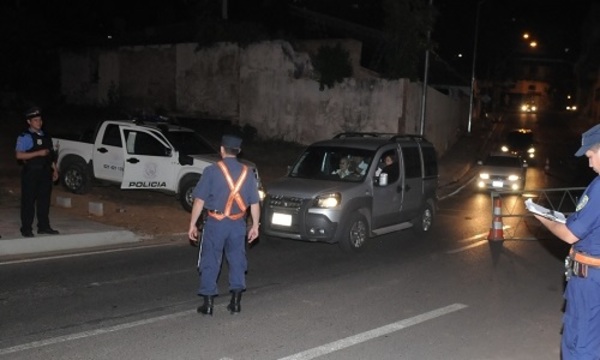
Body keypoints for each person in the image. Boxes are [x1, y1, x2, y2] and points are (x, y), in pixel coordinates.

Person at [532, 123, 600, 359]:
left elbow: (570, 234)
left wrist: (543, 218)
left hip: (592, 280)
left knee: (581, 345)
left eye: (591, 155)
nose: (589, 163)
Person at [187, 134, 260, 316]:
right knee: (237, 260)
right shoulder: (248, 172)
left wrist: (192, 225)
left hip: (215, 223)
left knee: (211, 260)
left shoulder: (211, 171)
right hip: (238, 224)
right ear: (239, 151)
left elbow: (199, 201)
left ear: (221, 150)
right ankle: (235, 302)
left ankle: (208, 303)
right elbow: (255, 203)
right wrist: (255, 226)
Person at [15, 107, 60, 237]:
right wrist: (38, 153)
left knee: (44, 201)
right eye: (35, 120)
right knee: (28, 201)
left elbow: (50, 155)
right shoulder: (25, 137)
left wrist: (54, 169)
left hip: (45, 172)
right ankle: (26, 228)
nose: (39, 123)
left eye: (40, 120)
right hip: (31, 172)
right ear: (29, 122)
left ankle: (44, 226)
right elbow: (19, 156)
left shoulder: (46, 136)